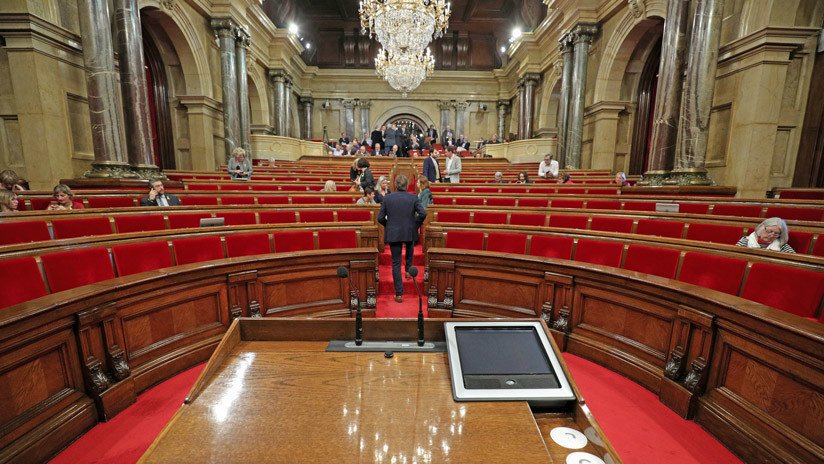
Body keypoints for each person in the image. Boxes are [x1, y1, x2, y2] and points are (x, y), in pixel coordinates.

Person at [377, 175, 426, 303]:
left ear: (395, 184)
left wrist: (389, 225)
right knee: (410, 251)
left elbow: (380, 218)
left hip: (394, 233)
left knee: (396, 263)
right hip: (409, 231)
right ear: (407, 185)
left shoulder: (388, 198)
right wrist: (414, 225)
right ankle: (409, 271)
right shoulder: (413, 197)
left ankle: (399, 294)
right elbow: (423, 213)